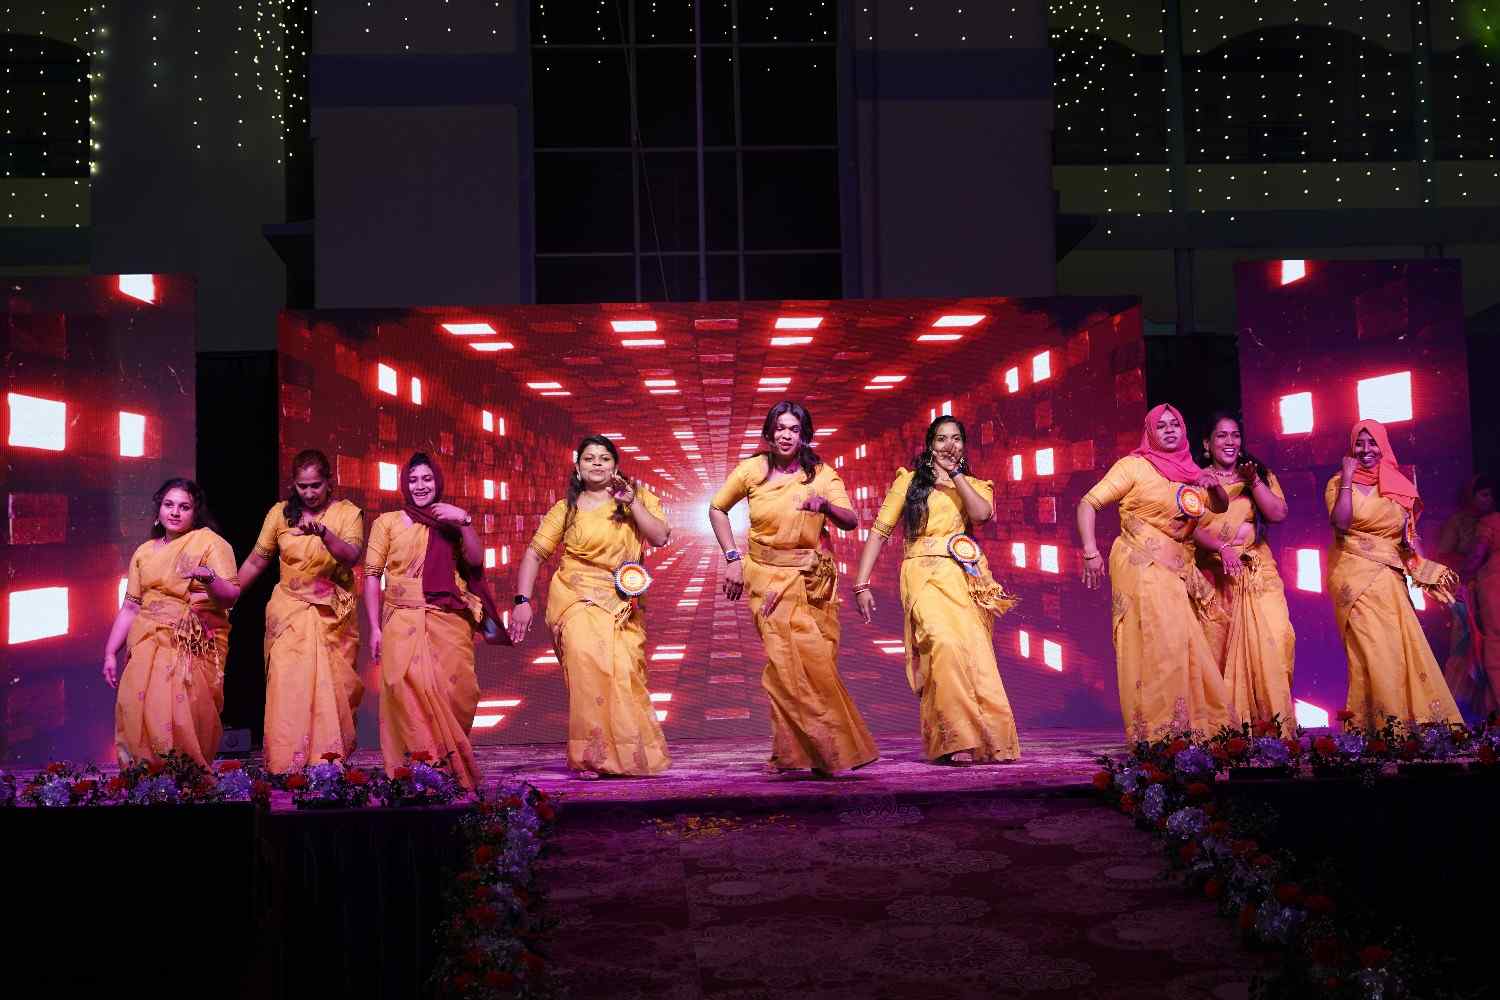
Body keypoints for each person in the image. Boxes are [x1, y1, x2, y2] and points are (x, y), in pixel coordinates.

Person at [709, 401, 878, 775]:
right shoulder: (752, 469)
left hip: (813, 580)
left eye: (794, 429)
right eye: (780, 428)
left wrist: (825, 506)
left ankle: (799, 754)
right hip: (767, 579)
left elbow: (850, 519)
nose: (786, 435)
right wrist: (732, 558)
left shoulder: (822, 474)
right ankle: (830, 752)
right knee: (786, 665)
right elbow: (717, 508)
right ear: (769, 433)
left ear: (805, 436)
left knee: (816, 665)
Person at [851, 416, 1020, 764]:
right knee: (942, 643)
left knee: (972, 652)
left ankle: (984, 739)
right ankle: (956, 739)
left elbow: (982, 515)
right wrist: (861, 584)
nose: (949, 446)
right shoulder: (910, 482)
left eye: (956, 439)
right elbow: (879, 532)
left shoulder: (974, 485)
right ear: (930, 445)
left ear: (963, 445)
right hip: (922, 575)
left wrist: (957, 475)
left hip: (963, 576)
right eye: (941, 439)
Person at [510, 436, 672, 778]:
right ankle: (591, 757)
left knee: (624, 672)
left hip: (622, 602)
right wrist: (522, 601)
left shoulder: (637, 498)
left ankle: (628, 756)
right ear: (577, 467)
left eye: (604, 458)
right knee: (586, 669)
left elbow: (659, 537)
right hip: (575, 598)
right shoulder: (565, 509)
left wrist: (633, 503)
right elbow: (534, 554)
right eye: (589, 458)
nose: (597, 463)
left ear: (615, 466)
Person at [1076, 403, 1233, 741]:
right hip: (1141, 564)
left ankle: (1186, 733)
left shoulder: (1191, 472)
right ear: (1149, 433)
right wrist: (1090, 551)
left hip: (1176, 568)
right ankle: (1159, 736)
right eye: (1161, 426)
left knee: (1181, 644)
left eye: (1174, 424)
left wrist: (1213, 485)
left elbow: (1219, 506)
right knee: (1158, 643)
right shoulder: (1134, 466)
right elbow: (1088, 503)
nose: (1169, 430)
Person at [363, 452, 503, 792]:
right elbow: (372, 575)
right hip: (401, 619)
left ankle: (449, 768)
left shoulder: (450, 519)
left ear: (437, 482)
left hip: (446, 619)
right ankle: (420, 773)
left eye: (426, 479)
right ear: (404, 484)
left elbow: (475, 561)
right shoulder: (387, 523)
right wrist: (375, 627)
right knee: (405, 691)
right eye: (413, 480)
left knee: (459, 692)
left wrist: (464, 521)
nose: (420, 486)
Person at [1325, 420, 1462, 730]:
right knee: (1374, 654)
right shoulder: (1338, 482)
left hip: (1390, 580)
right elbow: (1341, 523)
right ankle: (1389, 731)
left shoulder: (1399, 485)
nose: (1365, 450)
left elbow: (1407, 539)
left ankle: (1399, 731)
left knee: (1399, 653)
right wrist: (1347, 477)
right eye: (1359, 443)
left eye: (1372, 442)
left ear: (1383, 445)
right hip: (1354, 581)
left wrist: (1426, 571)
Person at [236, 450, 365, 773]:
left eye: (315, 485)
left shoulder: (347, 514)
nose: (309, 493)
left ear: (329, 482)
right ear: (293, 485)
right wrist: (229, 594)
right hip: (288, 613)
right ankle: (286, 766)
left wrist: (324, 533)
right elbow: (256, 561)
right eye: (302, 486)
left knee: (332, 687)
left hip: (331, 616)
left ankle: (326, 766)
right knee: (287, 685)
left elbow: (352, 556)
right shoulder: (280, 514)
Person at [103, 478, 240, 768]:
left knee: (181, 711)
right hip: (147, 639)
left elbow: (230, 596)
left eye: (184, 507)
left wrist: (208, 577)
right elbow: (130, 607)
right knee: (138, 705)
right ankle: (146, 779)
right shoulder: (143, 552)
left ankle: (184, 776)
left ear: (195, 512)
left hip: (188, 642)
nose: (175, 512)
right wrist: (110, 652)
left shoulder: (210, 544)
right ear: (159, 509)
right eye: (169, 505)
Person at [1190, 412, 1296, 729]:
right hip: (1215, 575)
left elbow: (1277, 513)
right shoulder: (1195, 480)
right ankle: (1229, 734)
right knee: (1220, 654)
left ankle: (1272, 730)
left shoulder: (1256, 474)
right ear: (1207, 443)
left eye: (1235, 435)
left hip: (1257, 571)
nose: (1230, 441)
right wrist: (1221, 547)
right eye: (1222, 435)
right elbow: (1190, 528)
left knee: (1277, 639)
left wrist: (1254, 482)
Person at [1437, 476, 1496, 719]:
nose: (1488, 500)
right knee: (1466, 645)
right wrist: (1469, 567)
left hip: (1489, 592)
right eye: (1483, 495)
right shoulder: (1458, 522)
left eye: (1491, 495)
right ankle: (1460, 715)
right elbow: (1443, 556)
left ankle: (1489, 711)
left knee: (1489, 648)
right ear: (1470, 496)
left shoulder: (1493, 521)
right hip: (1465, 591)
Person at [1462, 486, 1500, 716]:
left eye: (1487, 494)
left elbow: (1477, 554)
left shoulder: (1490, 521)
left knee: (1495, 644)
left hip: (1494, 585)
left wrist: (1460, 576)